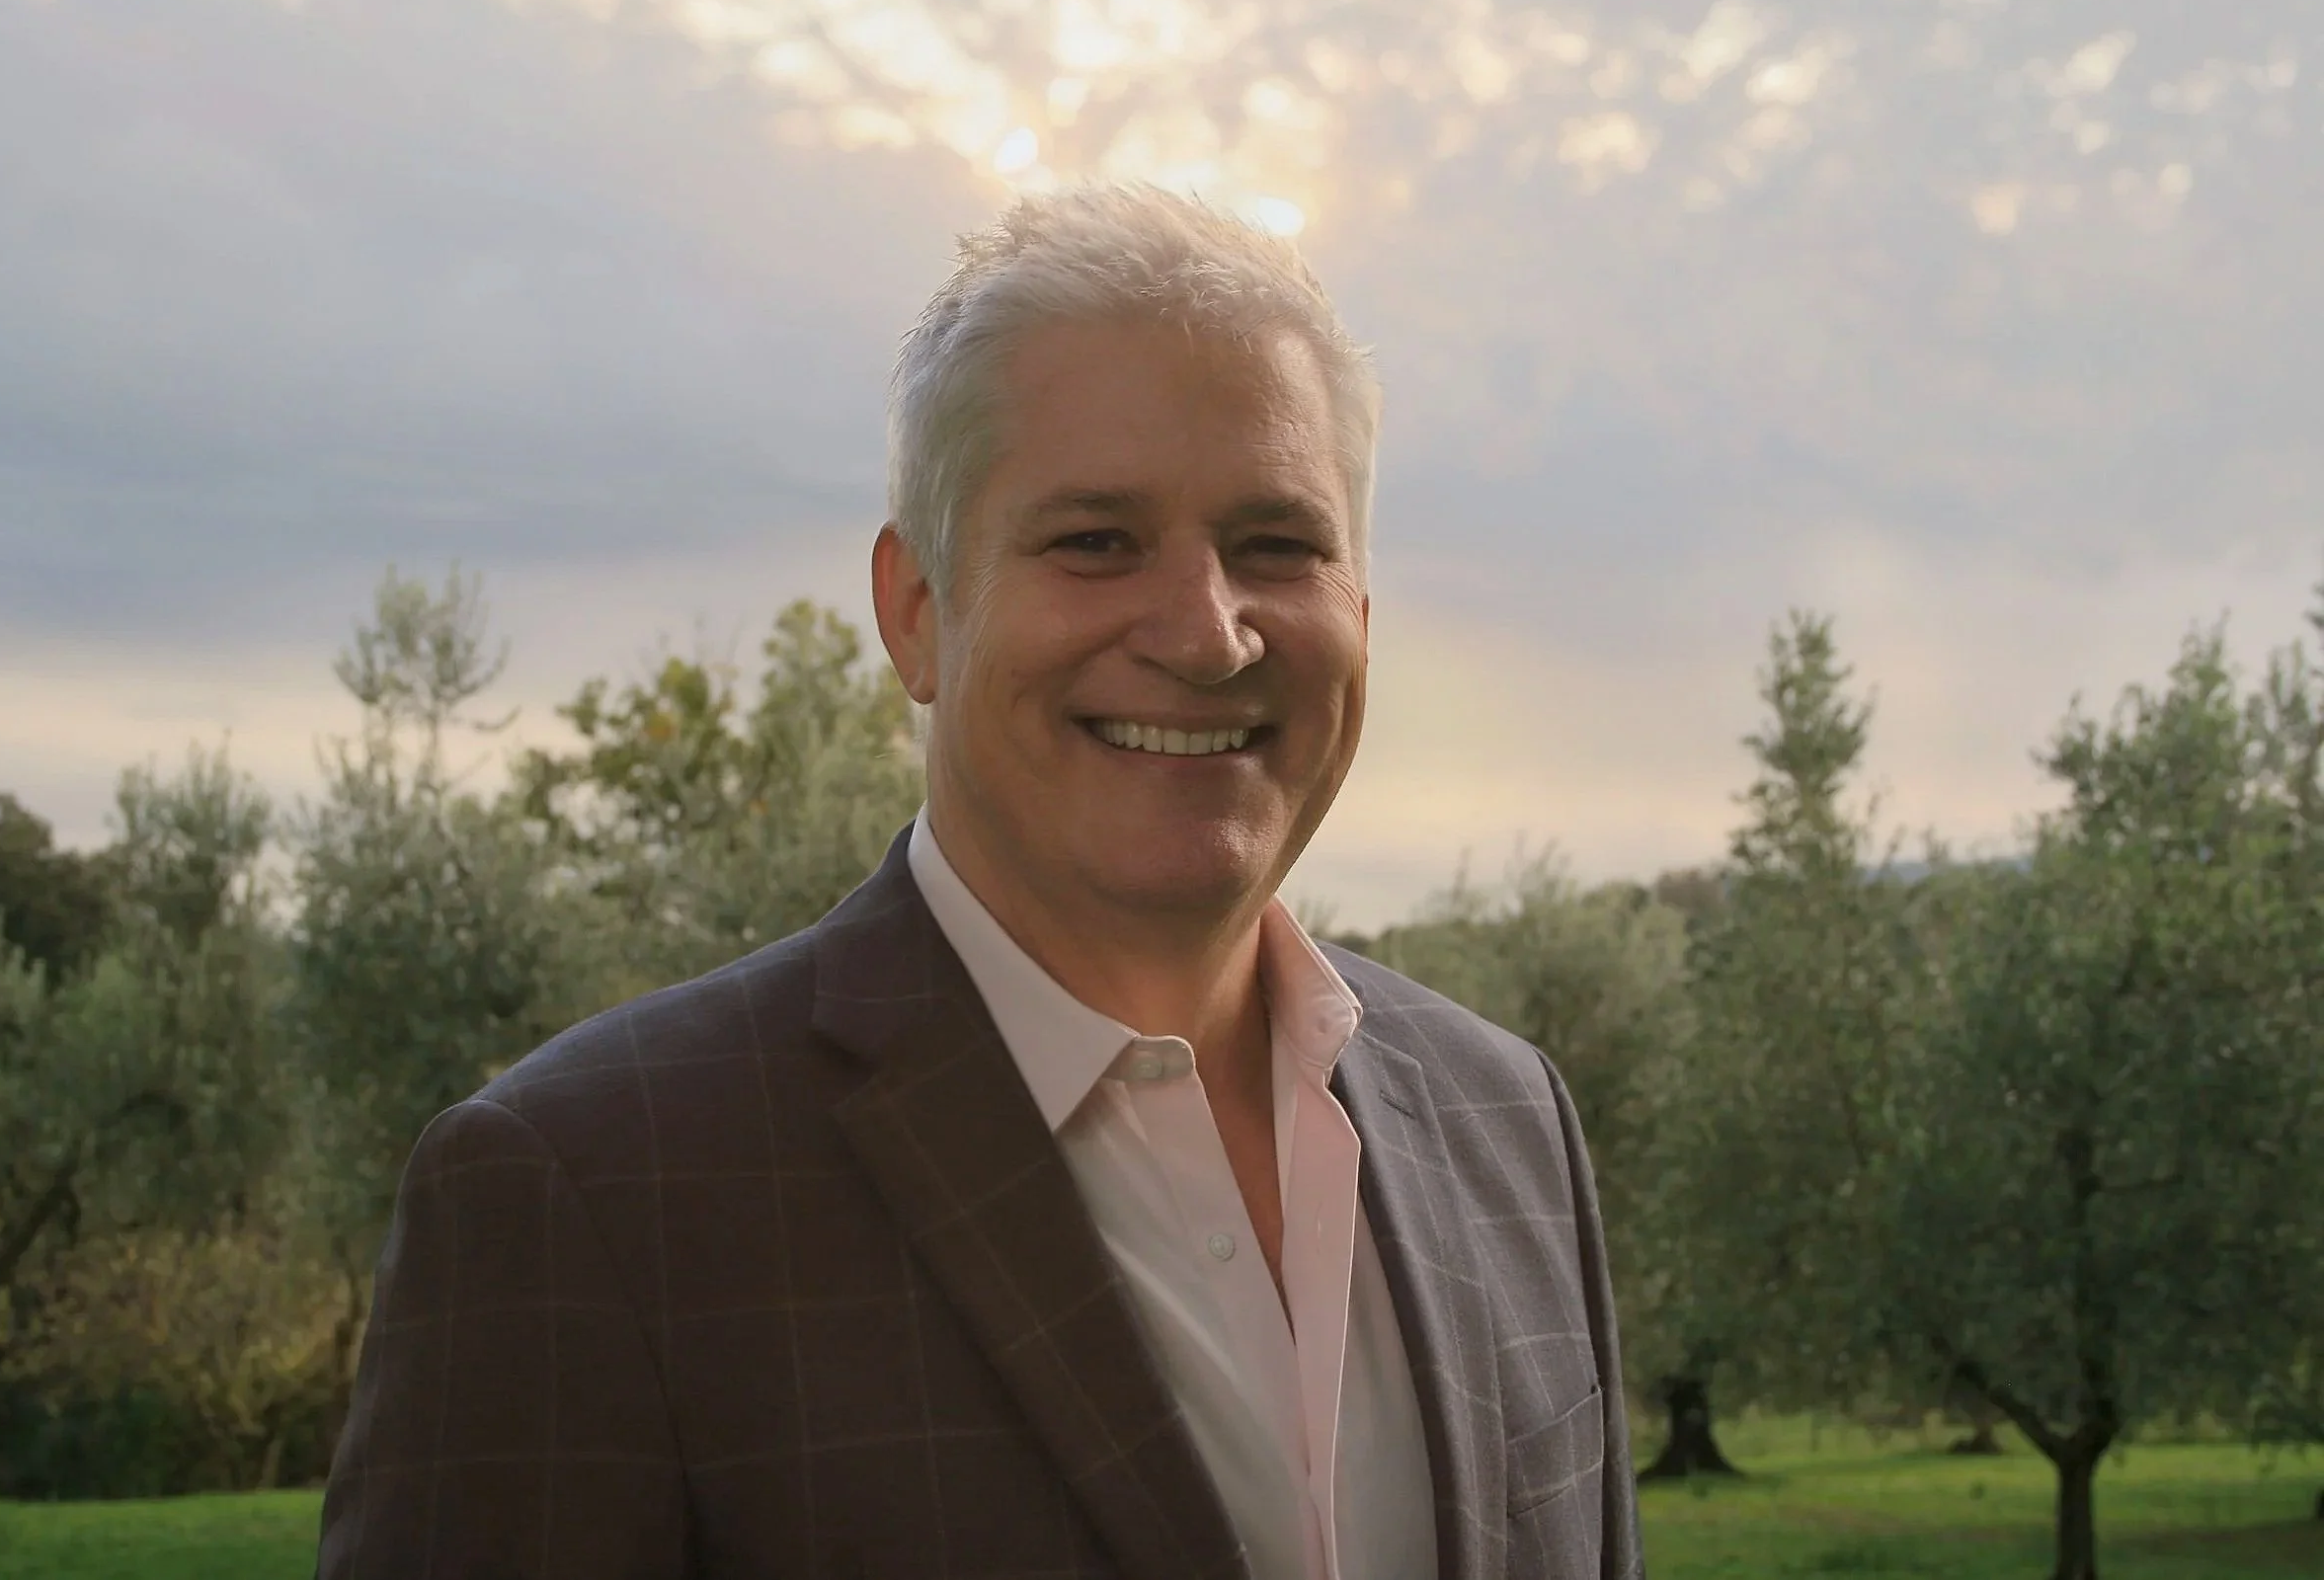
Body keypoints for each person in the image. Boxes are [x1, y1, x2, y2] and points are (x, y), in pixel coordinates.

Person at [316, 182, 1643, 1580]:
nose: (1206, 633)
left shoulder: (1511, 1123)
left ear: (1360, 616)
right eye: (1094, 540)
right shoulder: (585, 1197)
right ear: (917, 612)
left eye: (1277, 544)